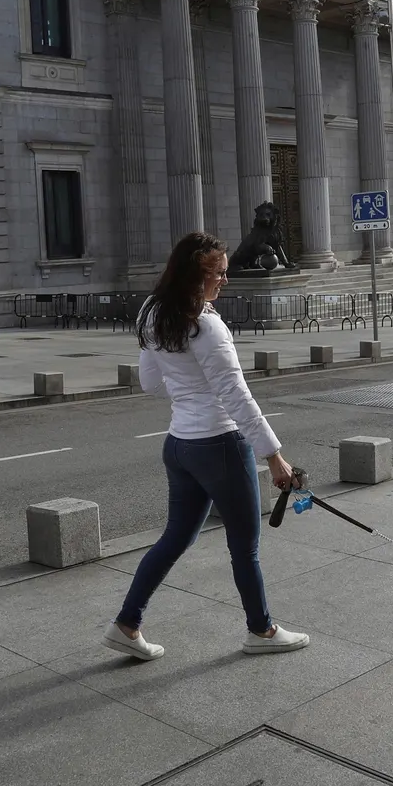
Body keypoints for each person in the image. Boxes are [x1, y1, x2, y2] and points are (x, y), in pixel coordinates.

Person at [105, 231, 310, 661]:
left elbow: (150, 383)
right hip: (219, 443)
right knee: (244, 546)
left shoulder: (153, 311)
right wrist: (274, 457)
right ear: (196, 277)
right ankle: (262, 630)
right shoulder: (206, 325)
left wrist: (187, 390)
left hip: (180, 443)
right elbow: (237, 396)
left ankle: (127, 623)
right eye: (219, 273)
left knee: (175, 538)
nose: (225, 279)